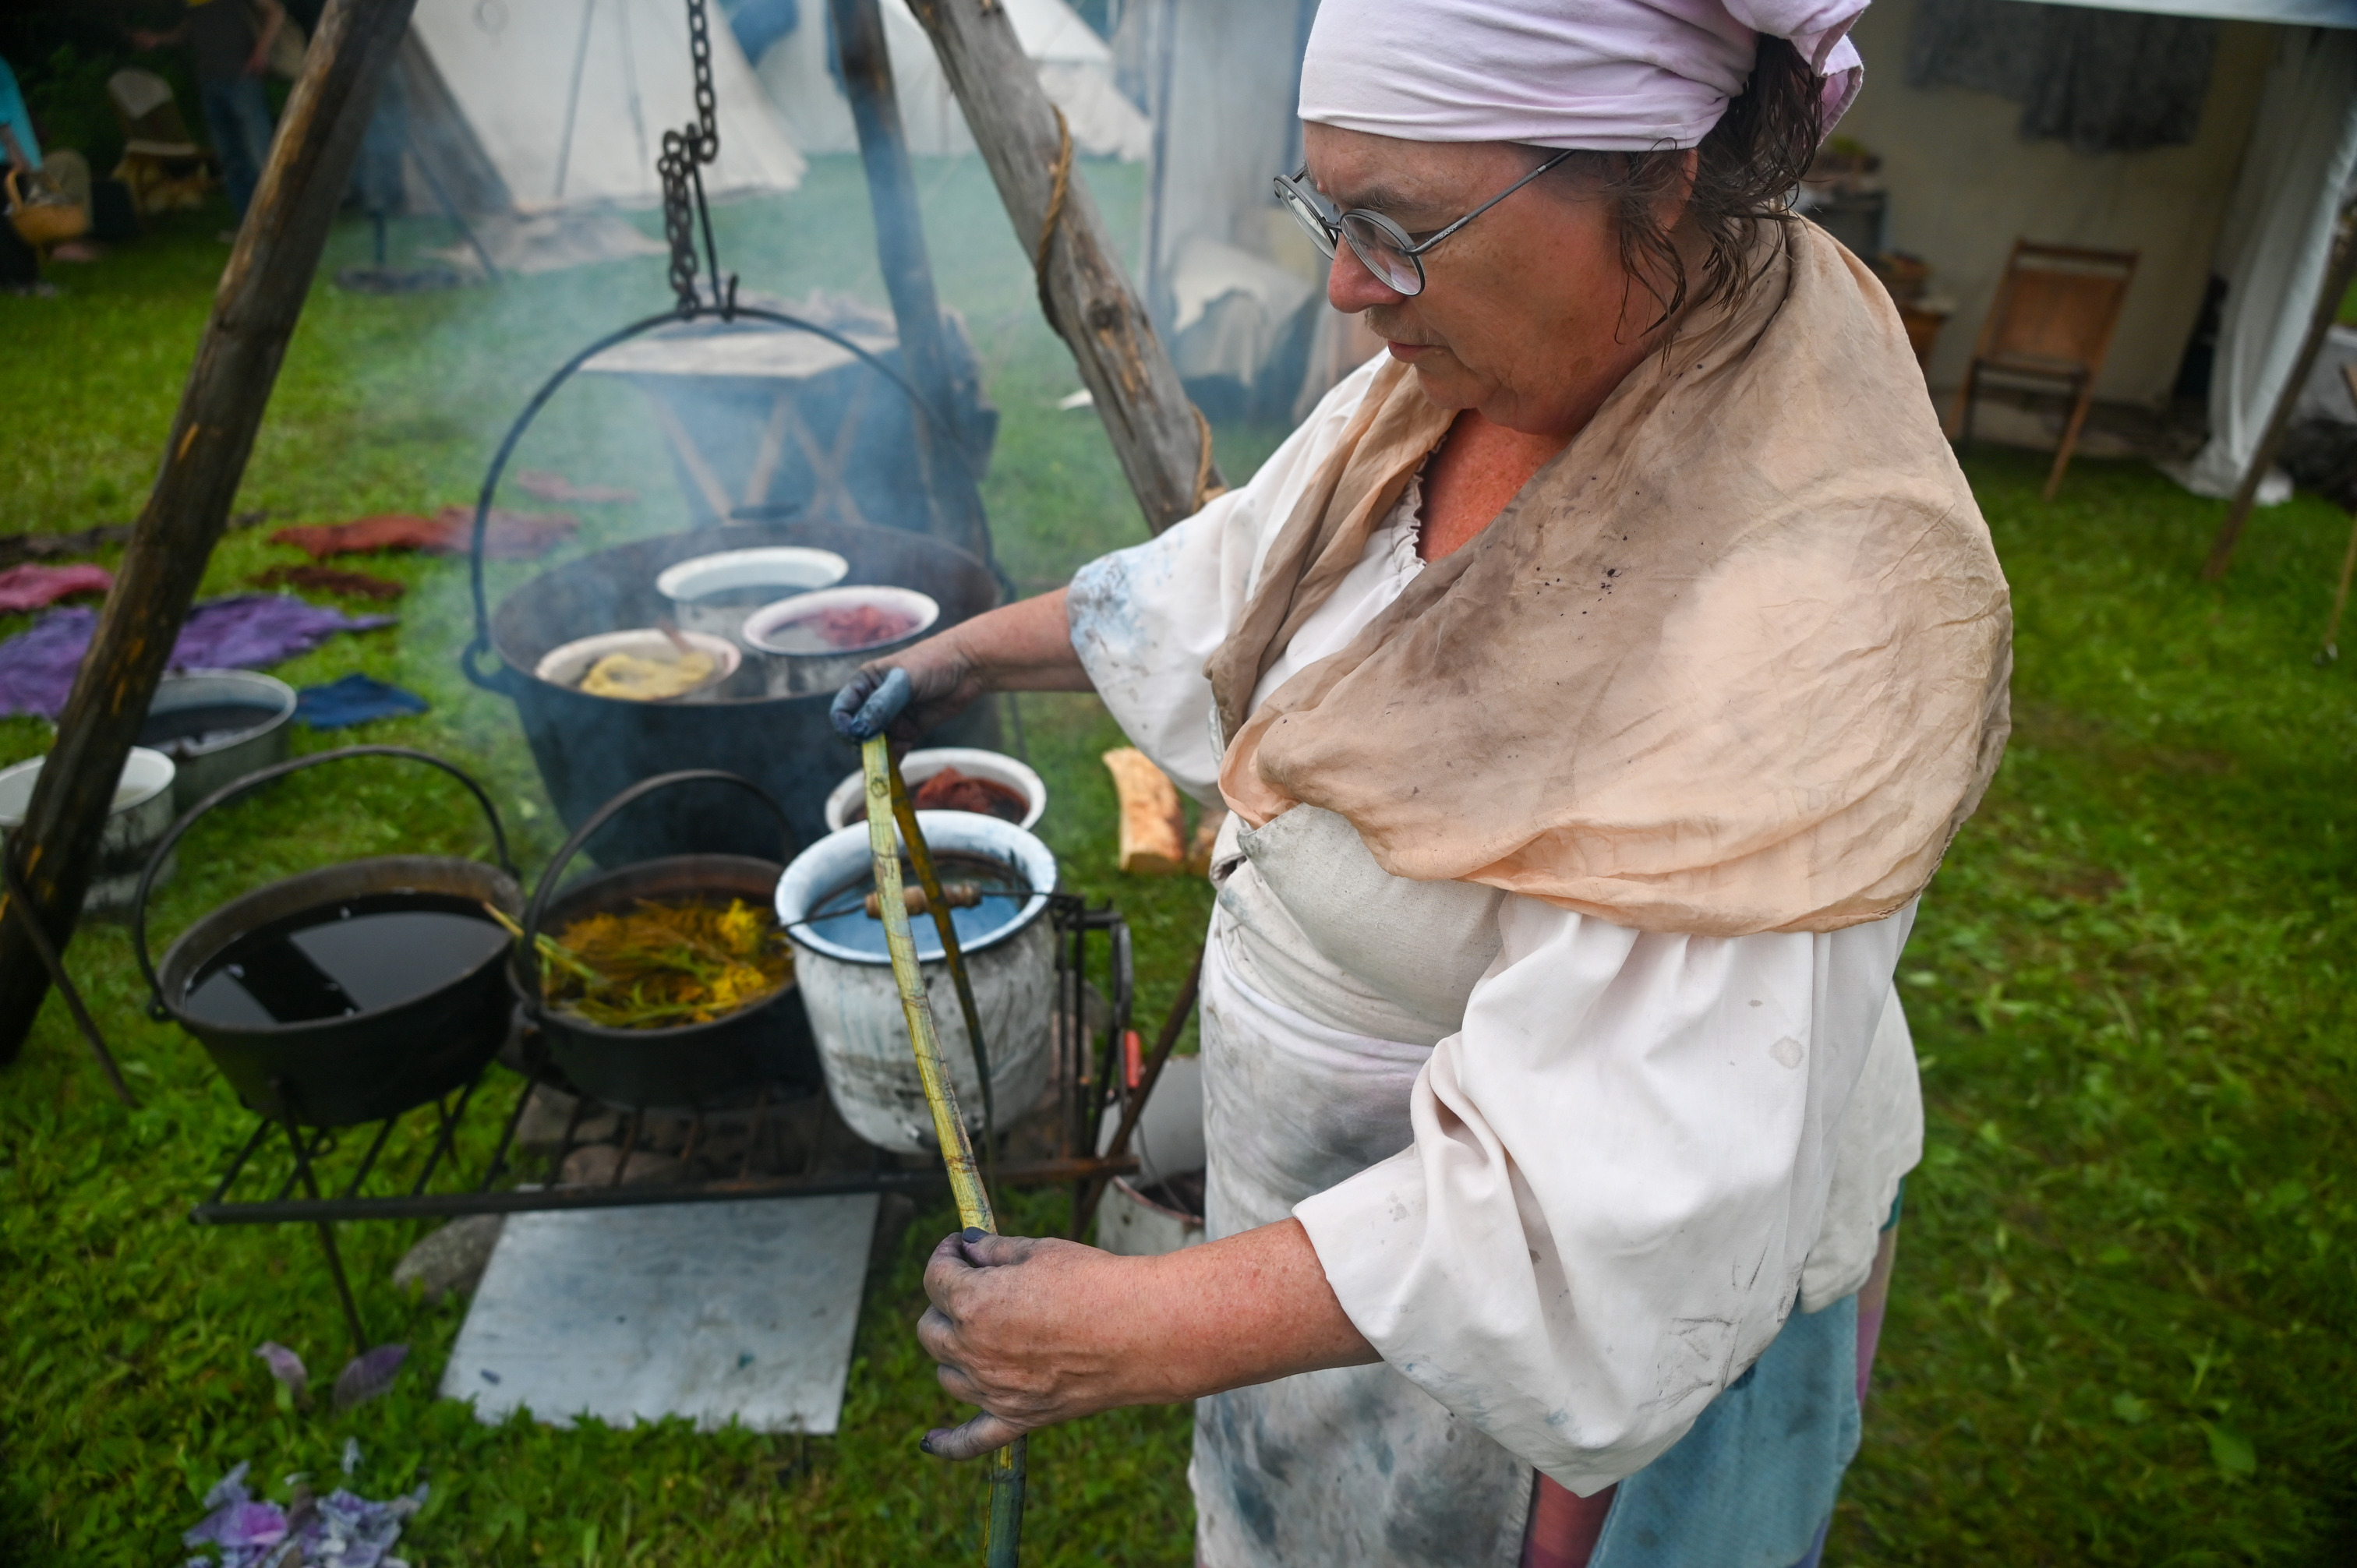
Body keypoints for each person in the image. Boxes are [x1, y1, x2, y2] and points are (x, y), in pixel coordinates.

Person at [831, 1, 2011, 1563]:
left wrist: (1140, 1326)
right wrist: (971, 649)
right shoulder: (1480, 361)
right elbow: (1248, 575)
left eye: (1396, 224)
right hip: (1328, 1289)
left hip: (1556, 1383)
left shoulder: (1808, 594)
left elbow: (1607, 1205)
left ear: (1659, 173)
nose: (1342, 280)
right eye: (1328, 210)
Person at [132, 0, 284, 225]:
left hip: (241, 77)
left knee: (259, 156)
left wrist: (261, 51)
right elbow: (191, 28)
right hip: (209, 82)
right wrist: (159, 39)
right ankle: (248, 226)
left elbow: (275, 12)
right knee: (231, 160)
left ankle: (278, 220)